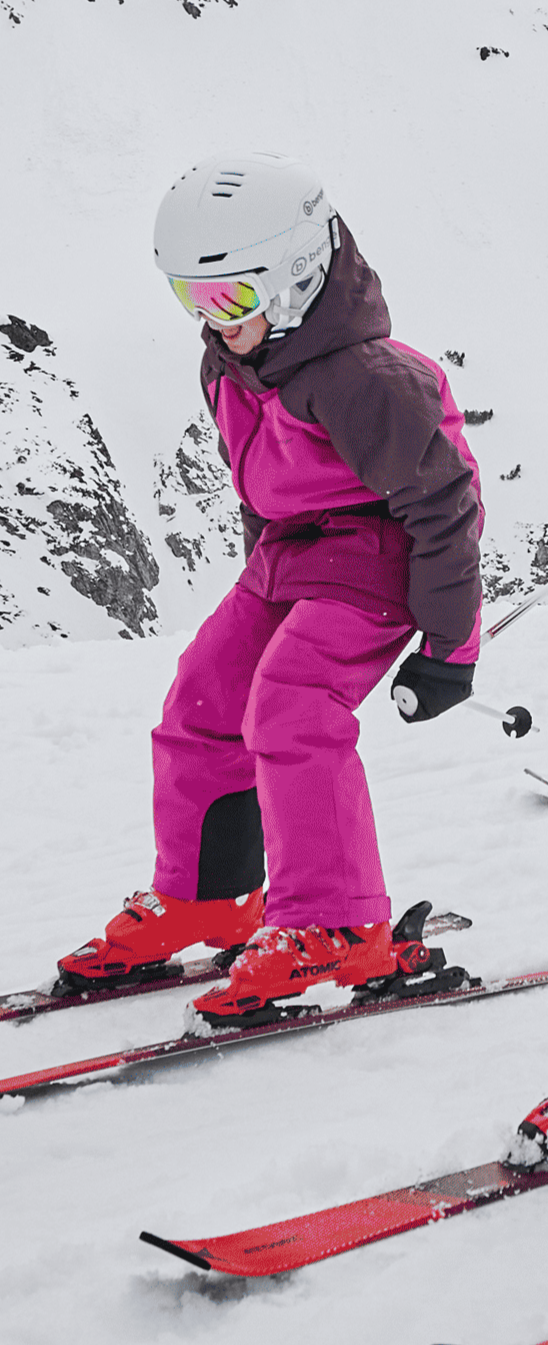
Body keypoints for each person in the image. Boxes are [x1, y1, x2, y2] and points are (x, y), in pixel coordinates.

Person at [59, 153, 484, 1022]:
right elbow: (261, 490)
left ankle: (337, 922)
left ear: (295, 276)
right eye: (194, 301)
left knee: (291, 706)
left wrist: (451, 647)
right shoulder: (228, 367)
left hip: (379, 558)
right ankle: (209, 895)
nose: (214, 322)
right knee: (203, 693)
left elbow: (445, 508)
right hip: (291, 557)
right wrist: (260, 591)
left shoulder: (368, 378)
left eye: (232, 299)